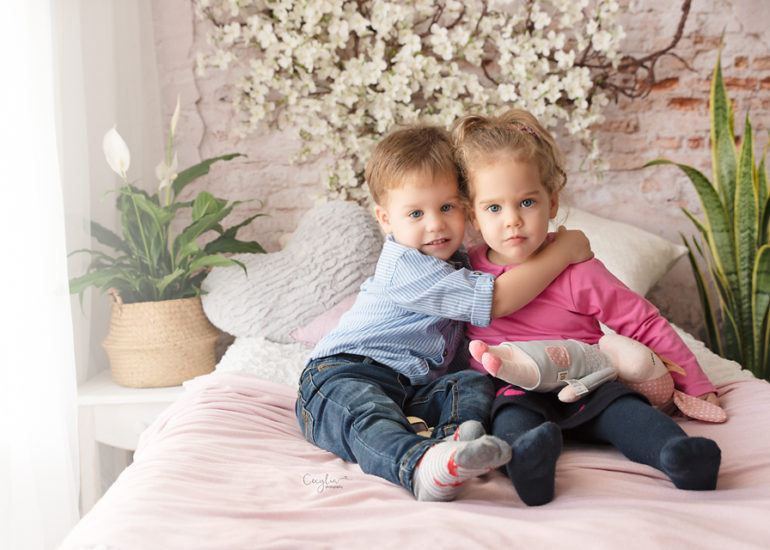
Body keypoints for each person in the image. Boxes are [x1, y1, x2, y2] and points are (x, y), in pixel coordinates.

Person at [295, 124, 592, 501]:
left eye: (447, 207)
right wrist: (563, 251)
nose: (435, 224)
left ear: (466, 207)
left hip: (408, 390)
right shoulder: (405, 267)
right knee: (366, 414)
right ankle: (418, 465)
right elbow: (498, 299)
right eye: (416, 213)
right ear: (386, 219)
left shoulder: (460, 264)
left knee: (471, 384)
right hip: (341, 374)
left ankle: (455, 443)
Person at [451, 108, 722, 506]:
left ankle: (677, 455)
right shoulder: (468, 272)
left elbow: (642, 322)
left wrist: (698, 385)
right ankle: (530, 467)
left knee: (629, 412)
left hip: (587, 383)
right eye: (494, 208)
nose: (513, 221)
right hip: (514, 388)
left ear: (552, 201)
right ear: (472, 214)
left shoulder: (579, 272)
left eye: (527, 202)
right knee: (511, 424)